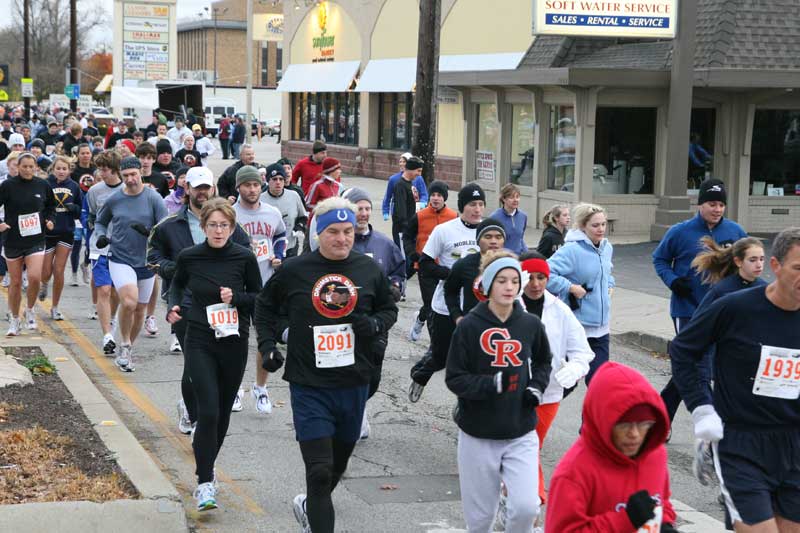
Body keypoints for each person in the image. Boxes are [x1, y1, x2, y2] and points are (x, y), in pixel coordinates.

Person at [254, 196, 398, 533]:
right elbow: (264, 308)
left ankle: (310, 505)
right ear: (319, 233)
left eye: (348, 231)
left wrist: (375, 326)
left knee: (336, 466)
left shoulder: (367, 269)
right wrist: (267, 345)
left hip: (354, 382)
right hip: (309, 384)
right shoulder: (295, 270)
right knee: (318, 471)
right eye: (334, 231)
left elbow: (388, 310)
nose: (343, 238)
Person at [670, 229, 800, 533]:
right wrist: (702, 409)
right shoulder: (736, 307)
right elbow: (683, 351)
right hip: (742, 443)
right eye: (798, 268)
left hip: (794, 442)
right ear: (776, 266)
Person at [445, 250, 552, 533]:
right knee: (480, 521)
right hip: (478, 433)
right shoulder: (468, 326)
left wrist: (536, 387)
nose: (509, 287)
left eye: (514, 281)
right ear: (488, 285)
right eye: (501, 280)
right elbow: (455, 378)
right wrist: (490, 385)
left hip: (521, 430)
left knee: (527, 508)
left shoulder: (530, 324)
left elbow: (544, 361)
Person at [166, 198, 261, 511]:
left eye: (224, 225)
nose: (218, 230)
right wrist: (174, 307)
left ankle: (206, 466)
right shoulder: (190, 256)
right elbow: (177, 285)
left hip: (234, 339)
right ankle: (205, 482)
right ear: (203, 227)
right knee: (206, 411)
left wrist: (237, 298)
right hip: (200, 337)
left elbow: (258, 297)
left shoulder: (244, 257)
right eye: (212, 225)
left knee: (221, 415)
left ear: (232, 228)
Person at [149, 167, 252, 434]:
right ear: (188, 190)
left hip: (223, 308)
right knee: (193, 363)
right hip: (184, 303)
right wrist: (175, 269)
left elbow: (245, 255)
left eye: (207, 186)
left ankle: (204, 410)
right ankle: (195, 415)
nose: (203, 191)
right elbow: (152, 257)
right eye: (198, 187)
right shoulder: (169, 225)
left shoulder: (231, 225)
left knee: (217, 362)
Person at [652, 178, 746, 422]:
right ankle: (712, 422)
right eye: (712, 204)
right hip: (689, 308)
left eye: (721, 205)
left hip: (725, 308)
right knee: (699, 367)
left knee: (696, 366)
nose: (717, 209)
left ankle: (661, 411)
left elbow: (747, 262)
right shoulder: (680, 232)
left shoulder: (735, 232)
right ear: (700, 204)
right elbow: (660, 259)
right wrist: (673, 280)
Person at [546, 362, 679, 533]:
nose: (635, 434)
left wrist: (664, 524)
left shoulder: (655, 454)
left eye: (643, 424)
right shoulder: (574, 472)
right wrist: (625, 520)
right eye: (624, 426)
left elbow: (662, 502)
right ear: (603, 422)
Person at [512, 251, 594, 520]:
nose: (535, 284)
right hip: (509, 393)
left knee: (529, 446)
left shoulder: (560, 310)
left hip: (547, 394)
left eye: (541, 277)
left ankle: (517, 499)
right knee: (524, 446)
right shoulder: (507, 307)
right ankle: (531, 505)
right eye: (530, 277)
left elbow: (583, 352)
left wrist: (572, 370)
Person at [408, 183, 485, 402]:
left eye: (481, 204)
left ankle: (466, 403)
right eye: (472, 204)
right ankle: (420, 374)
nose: (477, 209)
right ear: (462, 206)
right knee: (441, 355)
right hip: (445, 305)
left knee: (474, 358)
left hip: (478, 306)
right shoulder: (445, 231)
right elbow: (425, 265)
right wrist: (453, 274)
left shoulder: (489, 232)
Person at [94, 156, 168, 371]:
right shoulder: (115, 199)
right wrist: (100, 235)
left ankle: (128, 348)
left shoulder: (153, 198)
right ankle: (124, 342)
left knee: (140, 310)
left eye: (133, 175)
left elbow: (165, 227)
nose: (130, 179)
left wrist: (149, 233)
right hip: (120, 257)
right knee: (129, 301)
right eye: (125, 176)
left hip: (146, 260)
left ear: (140, 173)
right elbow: (100, 221)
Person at [345, 187, 404, 439]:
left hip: (376, 320)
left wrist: (395, 288)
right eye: (359, 208)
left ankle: (360, 405)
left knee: (373, 373)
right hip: (344, 320)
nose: (364, 213)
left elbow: (399, 272)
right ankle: (352, 414)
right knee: (347, 369)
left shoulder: (384, 244)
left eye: (367, 208)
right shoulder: (340, 242)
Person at [232, 165, 287, 414]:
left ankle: (260, 388)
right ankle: (234, 387)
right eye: (247, 185)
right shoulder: (230, 214)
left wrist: (278, 255)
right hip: (238, 286)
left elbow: (281, 236)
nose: (252, 189)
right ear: (238, 187)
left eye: (255, 185)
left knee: (265, 338)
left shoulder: (272, 212)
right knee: (235, 340)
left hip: (266, 285)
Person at [547, 203, 615, 385]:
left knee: (599, 383)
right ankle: (536, 410)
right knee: (566, 383)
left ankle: (593, 415)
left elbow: (607, 272)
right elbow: (545, 274)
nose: (601, 229)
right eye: (595, 225)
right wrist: (570, 287)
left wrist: (610, 284)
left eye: (603, 224)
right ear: (583, 226)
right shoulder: (572, 250)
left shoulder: (607, 248)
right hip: (577, 327)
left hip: (601, 327)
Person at [0, 152, 56, 335]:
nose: (28, 170)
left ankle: (30, 309)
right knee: (15, 282)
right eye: (24, 166)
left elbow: (50, 206)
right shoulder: (7, 186)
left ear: (36, 167)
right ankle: (15, 319)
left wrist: (49, 220)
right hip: (13, 239)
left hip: (36, 238)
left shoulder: (43, 185)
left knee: (34, 277)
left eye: (31, 166)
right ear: (18, 166)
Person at [403, 180, 457, 342]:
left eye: (439, 195)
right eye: (433, 195)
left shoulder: (453, 217)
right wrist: (412, 253)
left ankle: (420, 318)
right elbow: (407, 236)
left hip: (445, 267)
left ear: (444, 198)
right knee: (430, 304)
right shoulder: (419, 216)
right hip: (425, 266)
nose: (435, 198)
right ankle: (435, 344)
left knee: (443, 304)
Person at [86, 151, 123, 352]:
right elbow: (92, 215)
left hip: (122, 248)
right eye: (99, 169)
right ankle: (107, 335)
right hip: (99, 247)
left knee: (116, 292)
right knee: (104, 289)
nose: (101, 173)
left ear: (116, 170)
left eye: (105, 169)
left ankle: (113, 318)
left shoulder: (127, 189)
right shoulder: (95, 191)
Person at [39, 155, 82, 320]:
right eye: (58, 168)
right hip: (48, 233)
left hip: (66, 231)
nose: (61, 171)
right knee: (46, 271)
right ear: (53, 169)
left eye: (64, 169)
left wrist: (74, 208)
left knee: (59, 270)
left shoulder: (74, 186)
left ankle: (55, 307)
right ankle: (43, 284)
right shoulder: (45, 184)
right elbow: (40, 206)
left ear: (69, 170)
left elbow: (80, 208)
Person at [443, 218, 506, 324]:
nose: (494, 241)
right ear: (478, 240)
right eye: (488, 237)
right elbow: (450, 292)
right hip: (473, 326)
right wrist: (457, 317)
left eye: (498, 237)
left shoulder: (511, 265)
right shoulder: (464, 264)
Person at [260, 163, 307, 258]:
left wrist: (299, 228)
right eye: (274, 179)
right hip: (269, 249)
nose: (278, 182)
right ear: (268, 180)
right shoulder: (260, 199)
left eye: (281, 179)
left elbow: (303, 217)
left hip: (290, 246)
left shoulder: (294, 196)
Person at [381, 152, 429, 226]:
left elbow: (424, 193)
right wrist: (385, 211)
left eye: (404, 162)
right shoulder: (394, 179)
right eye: (400, 161)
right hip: (399, 215)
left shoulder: (418, 178)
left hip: (414, 211)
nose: (402, 164)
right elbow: (387, 197)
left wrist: (422, 202)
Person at [390, 156, 424, 248]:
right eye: (418, 171)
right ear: (411, 170)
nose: (419, 174)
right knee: (405, 258)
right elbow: (401, 212)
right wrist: (408, 229)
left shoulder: (411, 183)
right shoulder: (400, 185)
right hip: (403, 231)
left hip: (410, 229)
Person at [491, 183, 528, 255]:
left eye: (517, 197)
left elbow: (520, 239)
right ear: (504, 199)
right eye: (511, 197)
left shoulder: (523, 216)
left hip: (519, 258)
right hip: (502, 258)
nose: (515, 200)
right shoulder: (494, 218)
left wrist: (527, 254)